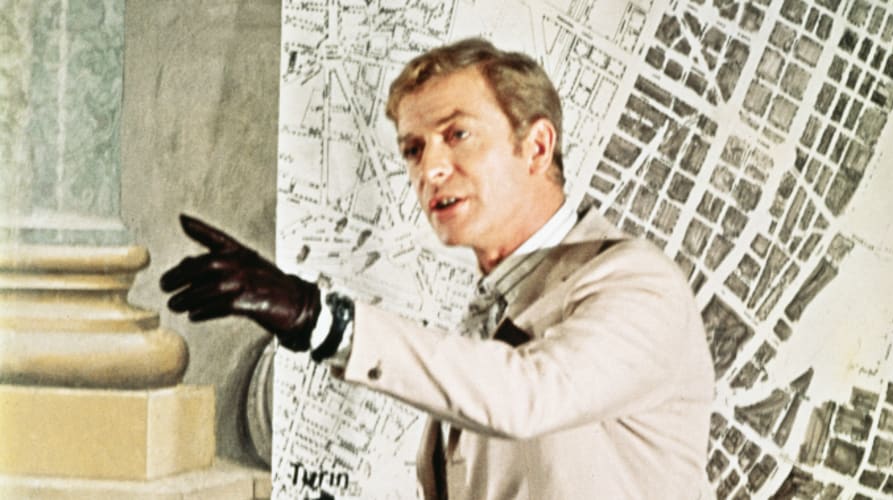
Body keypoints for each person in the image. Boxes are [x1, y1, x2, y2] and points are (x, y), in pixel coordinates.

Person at [161, 38, 715, 499]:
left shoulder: (638, 285)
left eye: (457, 135)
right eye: (414, 150)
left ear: (537, 147)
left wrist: (322, 321)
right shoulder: (495, 305)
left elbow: (528, 395)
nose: (430, 170)